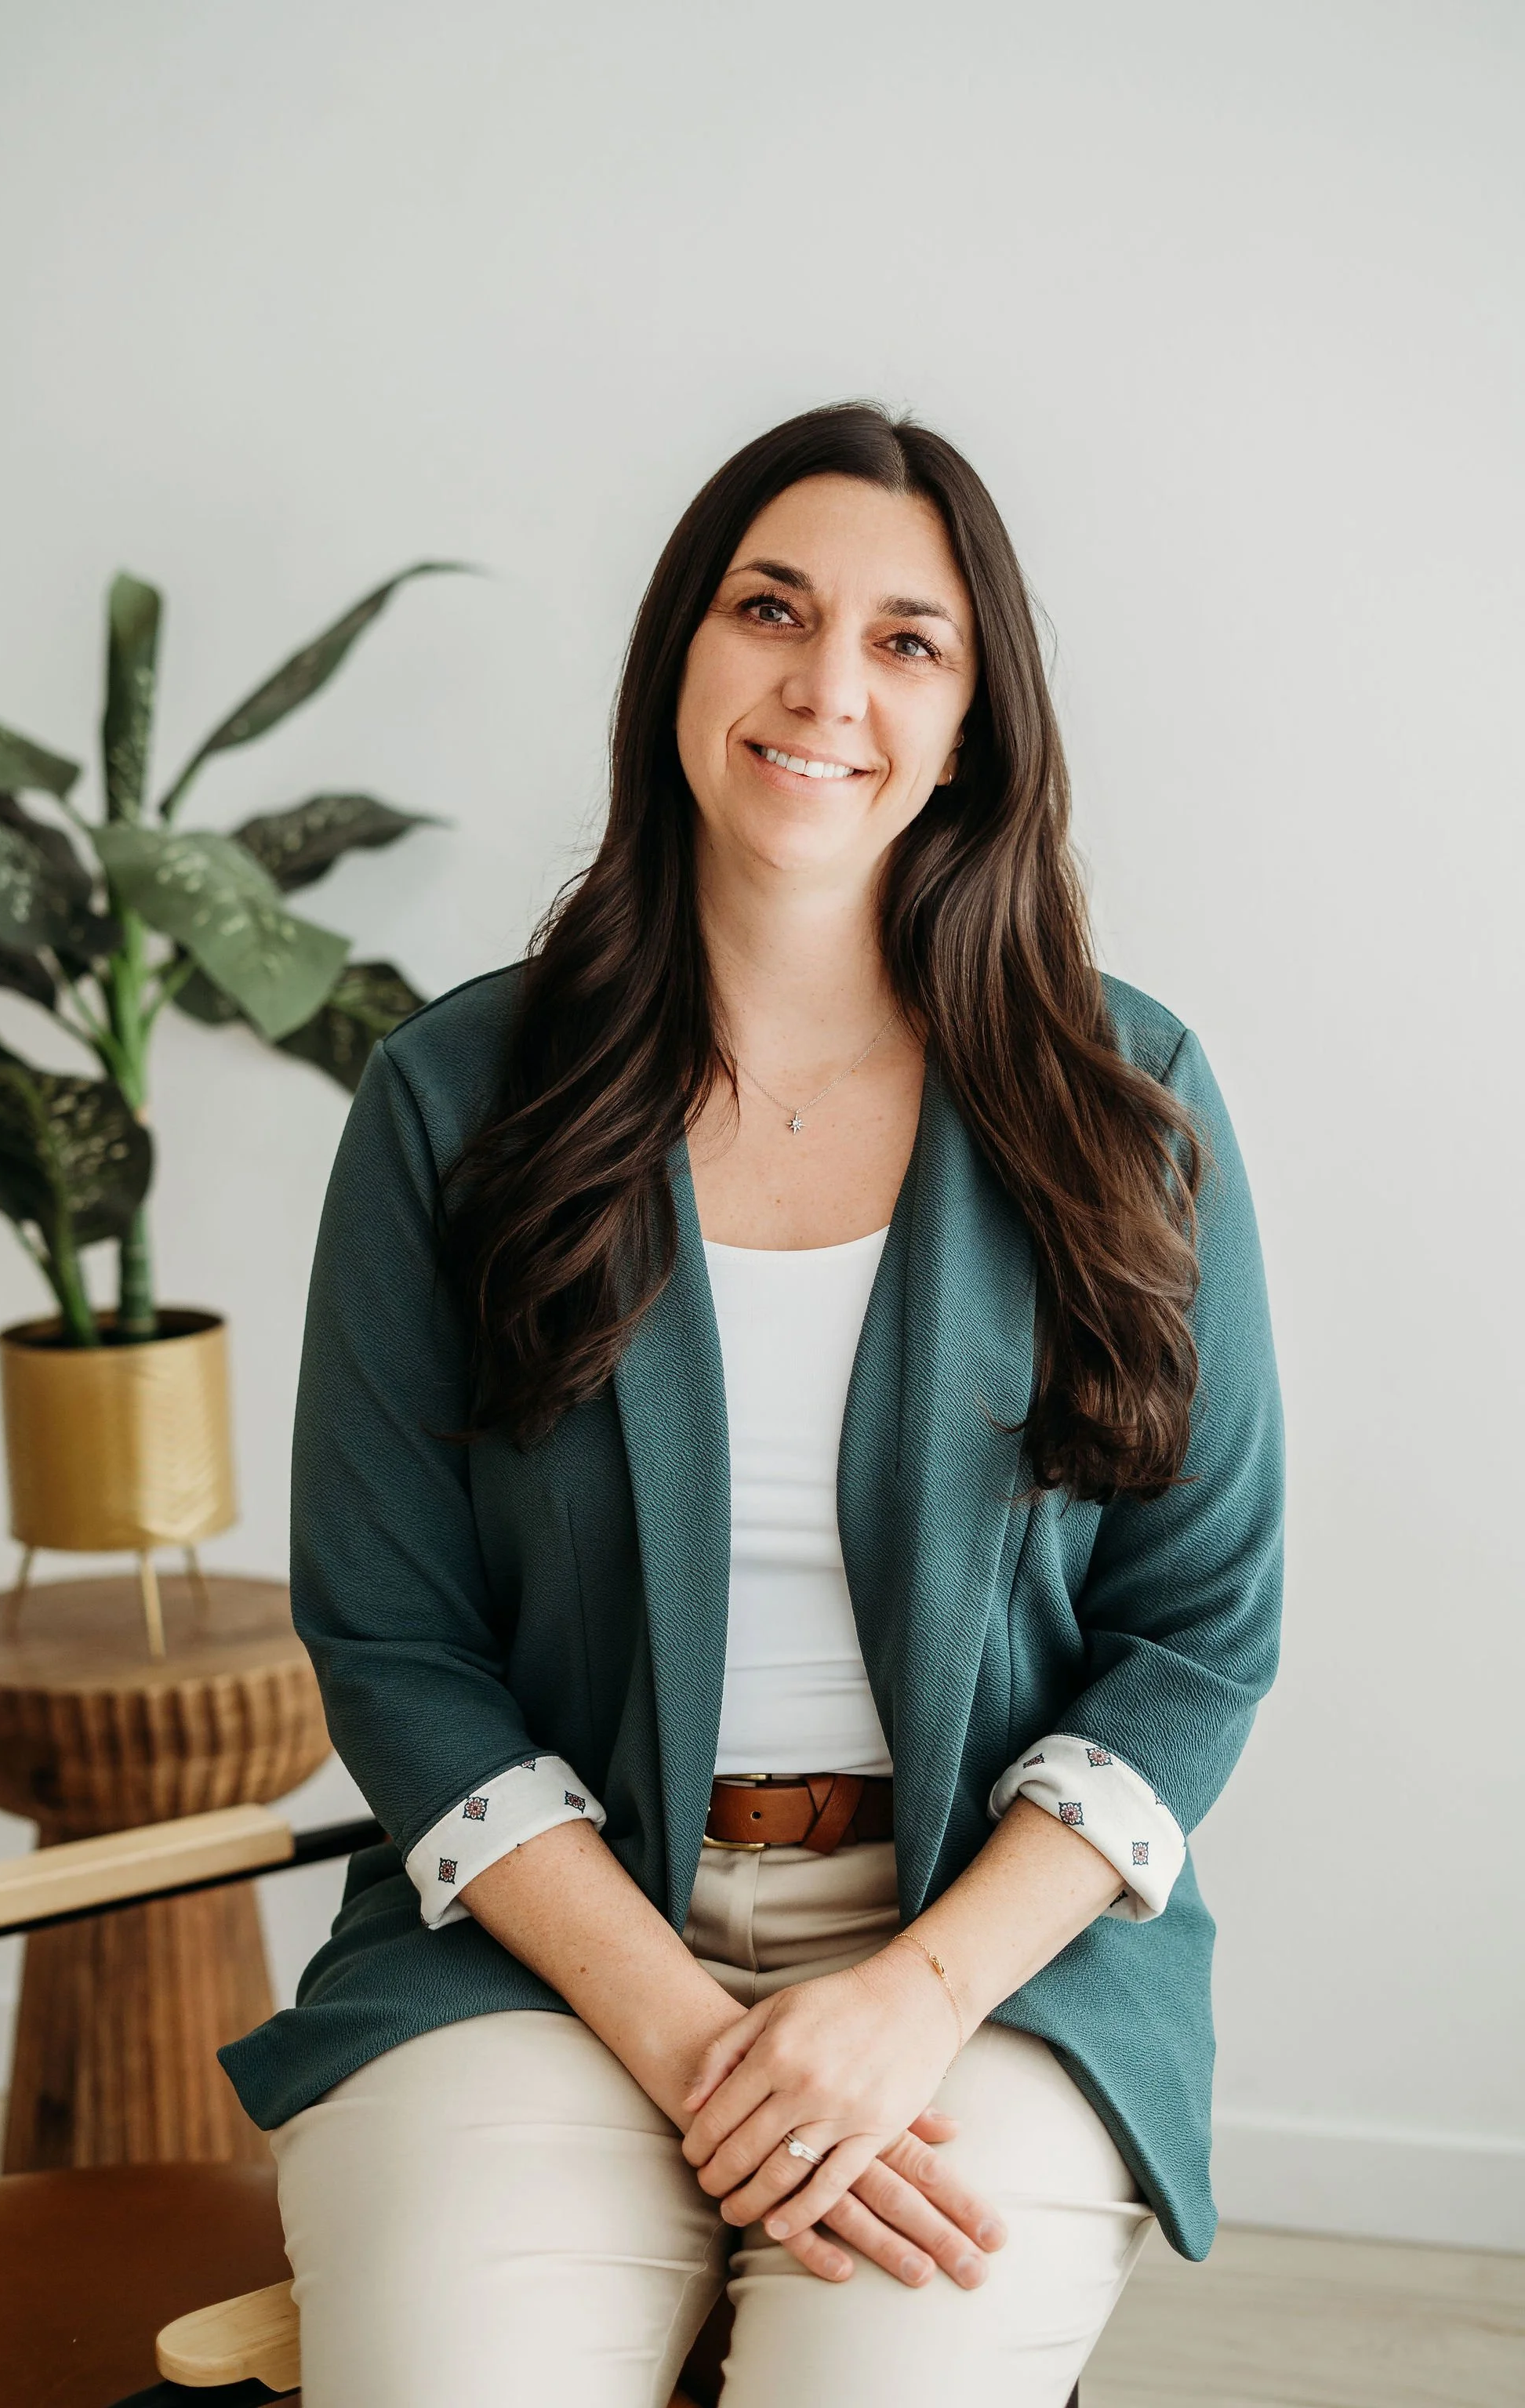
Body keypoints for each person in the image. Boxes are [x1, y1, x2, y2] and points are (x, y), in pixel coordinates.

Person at [220, 402, 1284, 2408]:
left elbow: (1200, 1635)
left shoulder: (1122, 1106)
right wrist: (688, 2034)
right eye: (769, 610)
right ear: (680, 664)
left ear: (970, 723)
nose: (825, 685)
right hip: (538, 1946)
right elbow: (390, 1637)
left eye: (908, 641)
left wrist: (908, 2002)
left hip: (988, 1965)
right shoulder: (455, 1108)